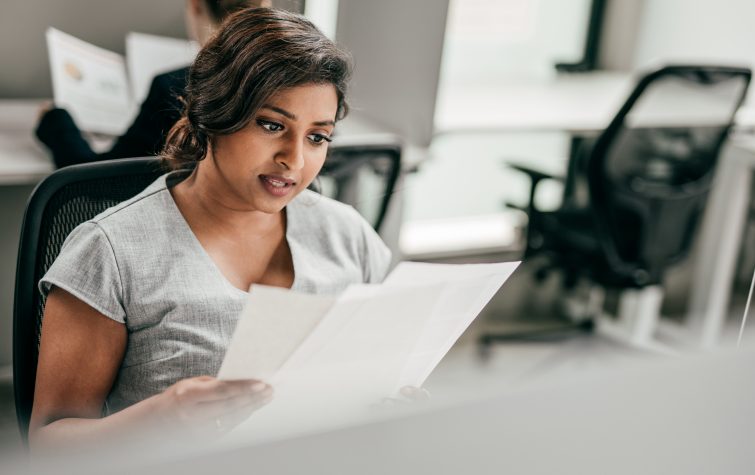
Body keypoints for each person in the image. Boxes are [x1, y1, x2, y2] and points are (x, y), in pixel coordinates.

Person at [29, 7, 391, 448]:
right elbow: (47, 447)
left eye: (318, 137)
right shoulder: (111, 251)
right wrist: (160, 417)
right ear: (213, 114)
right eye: (272, 125)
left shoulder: (347, 234)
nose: (295, 160)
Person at [35, 0, 271, 168]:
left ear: (195, 5)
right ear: (265, 5)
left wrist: (56, 121)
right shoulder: (280, 84)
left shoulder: (174, 86)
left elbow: (98, 178)